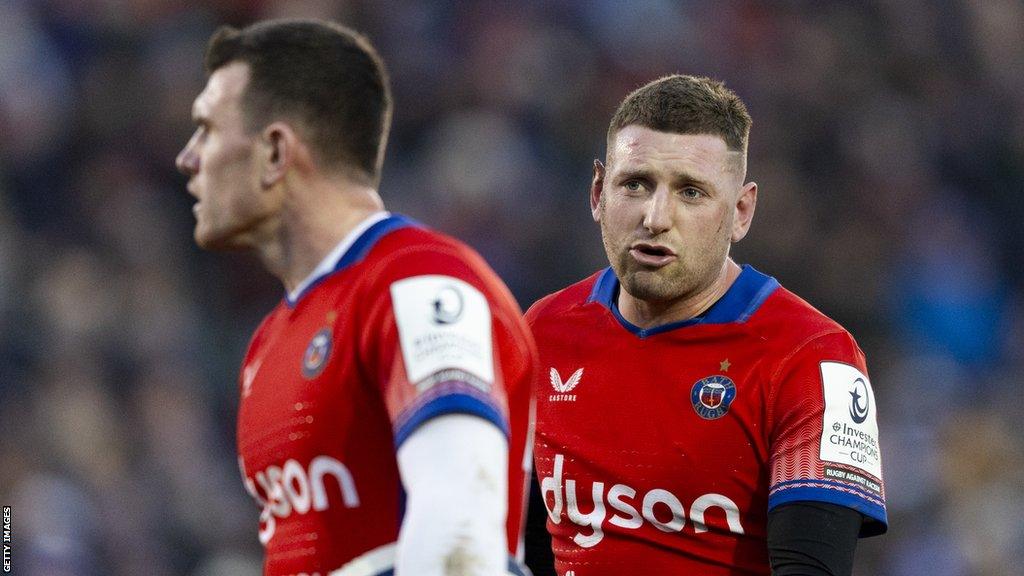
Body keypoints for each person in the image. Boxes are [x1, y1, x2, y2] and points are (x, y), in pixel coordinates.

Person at [176, 19, 537, 576]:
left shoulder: (422, 286)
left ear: (275, 152)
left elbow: (460, 539)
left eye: (206, 129)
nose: (188, 158)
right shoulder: (266, 345)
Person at [524, 75, 886, 575]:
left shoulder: (815, 358)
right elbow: (523, 547)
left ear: (741, 212)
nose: (655, 217)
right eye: (635, 184)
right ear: (597, 193)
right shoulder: (545, 331)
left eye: (690, 192)